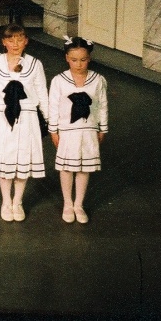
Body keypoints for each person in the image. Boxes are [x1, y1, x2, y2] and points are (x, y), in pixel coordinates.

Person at [0, 23, 49, 222]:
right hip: (3, 119)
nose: (15, 43)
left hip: (28, 119)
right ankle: (6, 201)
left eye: (19, 39)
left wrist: (51, 121)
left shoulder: (35, 64)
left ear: (26, 41)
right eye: (10, 39)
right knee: (5, 161)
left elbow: (42, 93)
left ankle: (18, 201)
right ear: (4, 42)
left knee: (23, 161)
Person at [48, 36, 108, 224]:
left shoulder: (98, 80)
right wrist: (53, 130)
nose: (79, 64)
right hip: (67, 130)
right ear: (67, 58)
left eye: (83, 60)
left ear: (89, 58)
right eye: (74, 60)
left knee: (84, 168)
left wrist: (102, 128)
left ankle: (78, 204)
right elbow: (53, 107)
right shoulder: (59, 80)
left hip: (88, 130)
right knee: (67, 167)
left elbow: (102, 106)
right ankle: (67, 204)